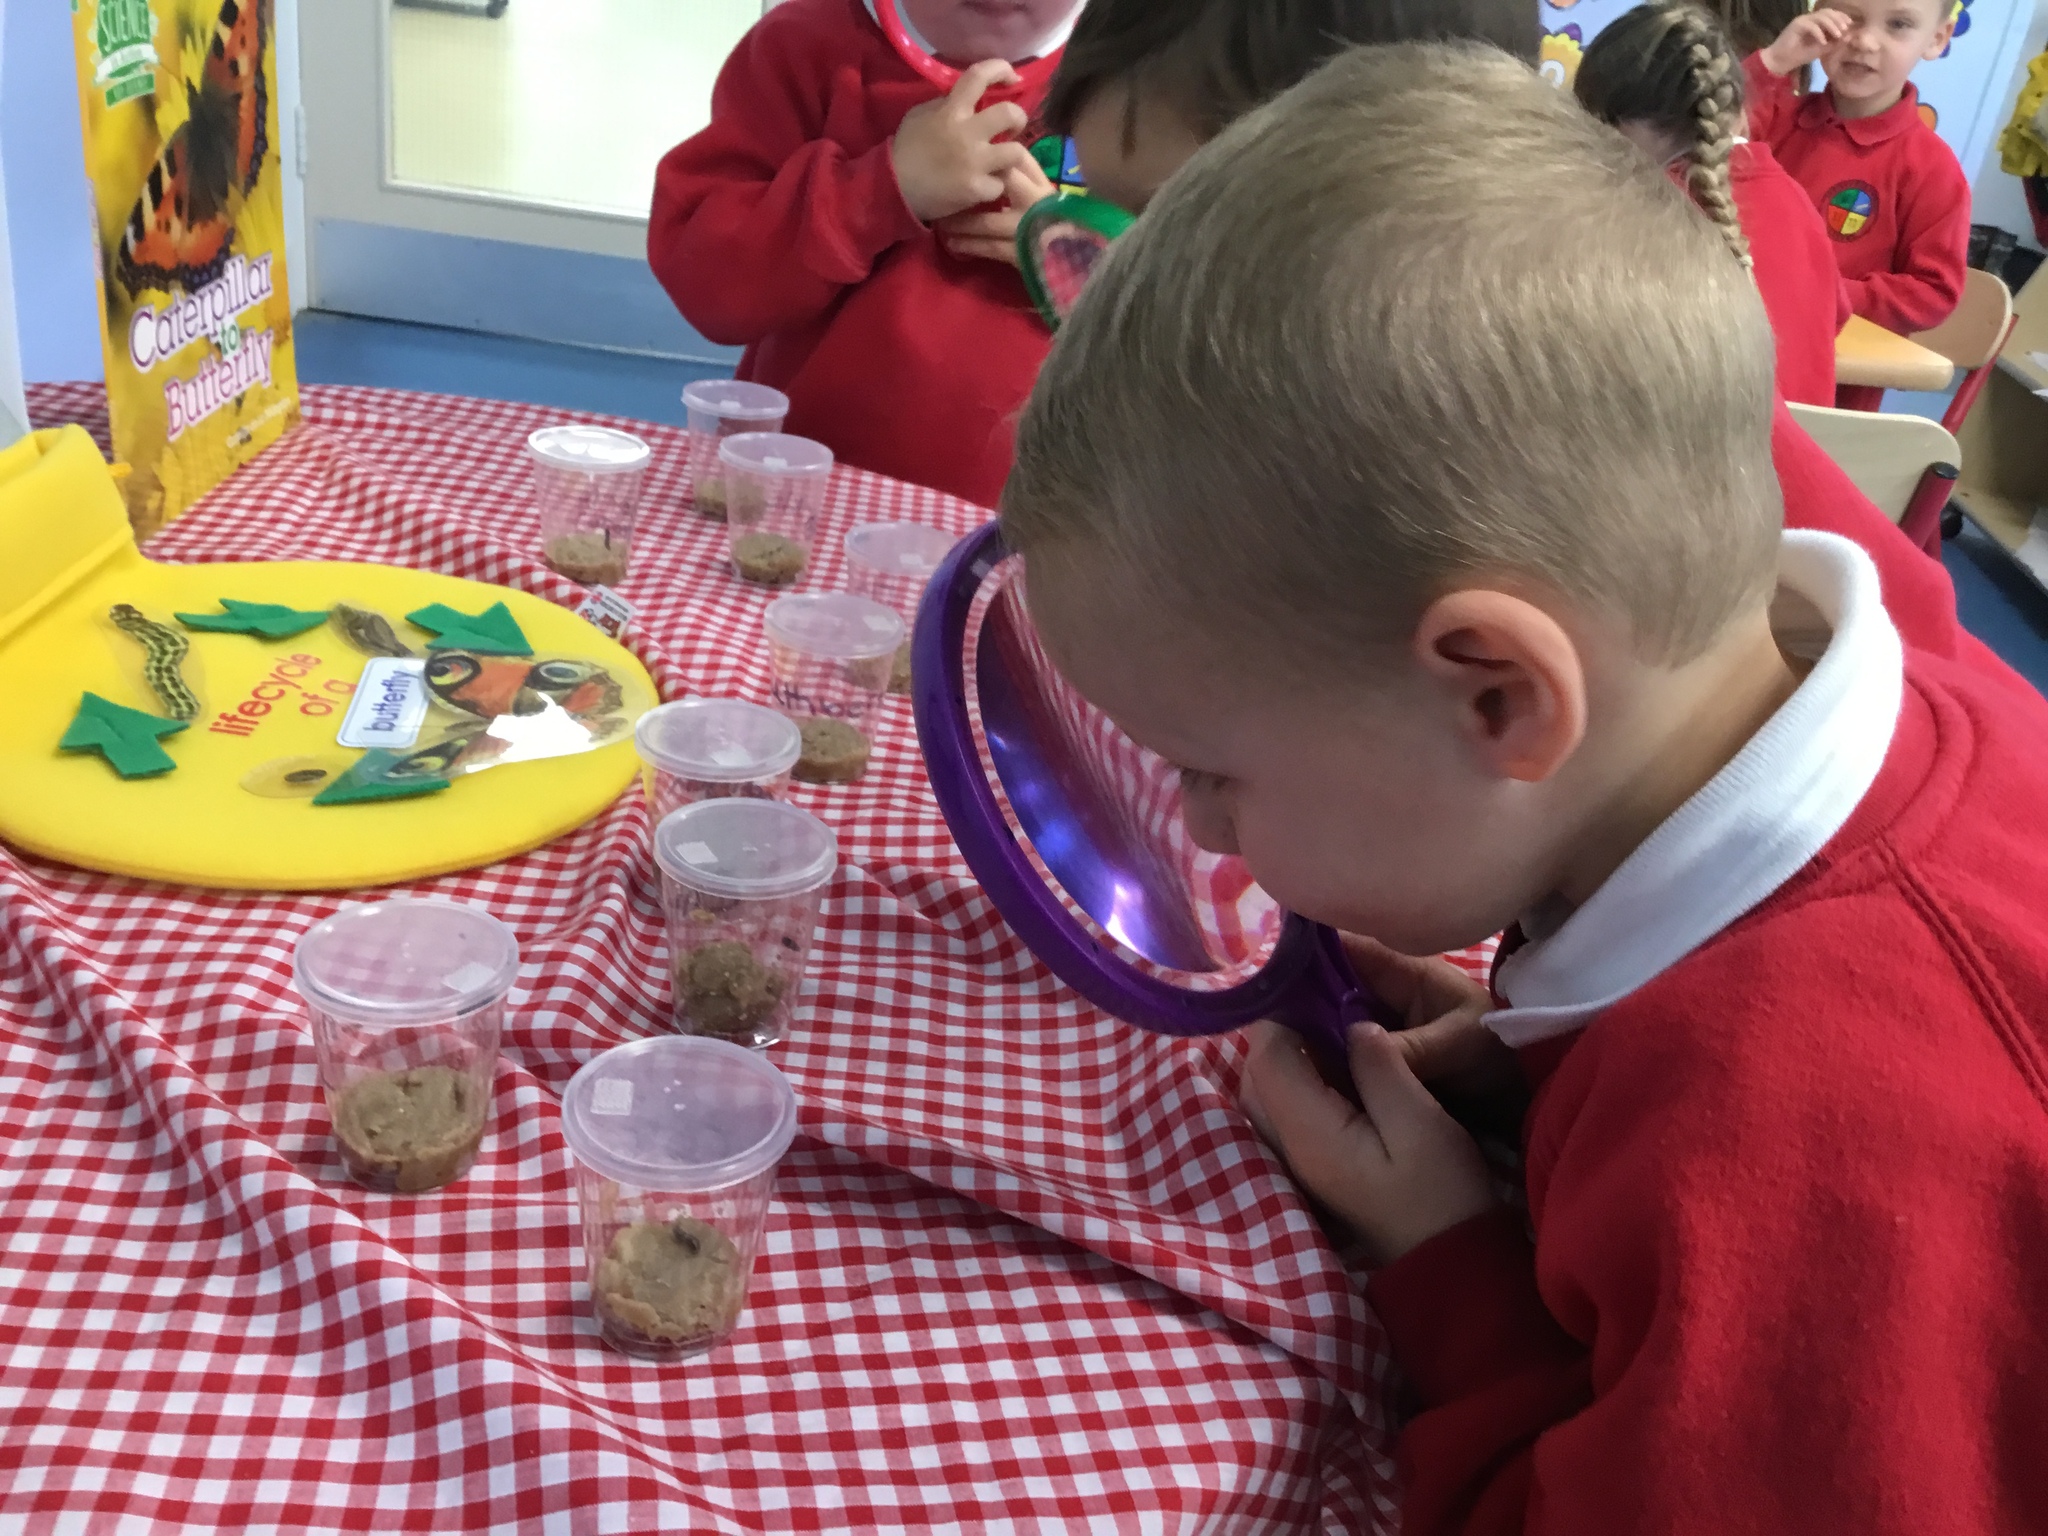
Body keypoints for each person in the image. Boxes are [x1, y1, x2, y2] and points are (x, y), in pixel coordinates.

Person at [1004, 43, 2048, 1533]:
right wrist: (1538, 1061)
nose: (1196, 827)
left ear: (1499, 694)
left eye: (1213, 772)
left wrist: (1451, 1267)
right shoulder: (1882, 729)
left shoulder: (1814, 1143)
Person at [1033, 0, 2024, 696]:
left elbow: (1921, 659)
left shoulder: (1606, 378)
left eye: (1179, 229)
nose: (1146, 283)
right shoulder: (1346, 377)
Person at [647, 0, 1078, 508]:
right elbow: (711, 282)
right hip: (796, 510)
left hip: (1047, 530)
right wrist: (879, 190)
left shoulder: (1139, 73)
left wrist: (1084, 263)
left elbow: (1163, 334)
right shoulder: (803, 45)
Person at [1575, 0, 1849, 407]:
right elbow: (1836, 315)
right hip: (1804, 440)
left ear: (1613, 123)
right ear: (1736, 108)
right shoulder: (1793, 198)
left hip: (1696, 442)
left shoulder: (1639, 209)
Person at [1745, 0, 1970, 408]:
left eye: (1898, 24)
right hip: (1729, 358)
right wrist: (1773, 61)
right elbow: (1694, 129)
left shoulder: (1933, 169)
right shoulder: (1772, 116)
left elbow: (1934, 291)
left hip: (1829, 401)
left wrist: (1819, 292)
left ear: (1937, 39)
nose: (1864, 41)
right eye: (1850, 18)